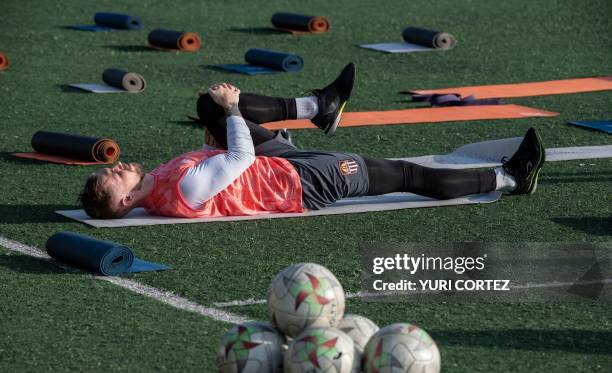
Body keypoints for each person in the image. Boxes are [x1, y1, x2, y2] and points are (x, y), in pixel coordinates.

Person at [79, 63, 545, 219]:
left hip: (275, 162)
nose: (117, 167)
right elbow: (238, 157)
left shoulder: (155, 182)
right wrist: (236, 109)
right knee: (406, 174)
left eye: (110, 167)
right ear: (124, 204)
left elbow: (226, 156)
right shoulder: (181, 191)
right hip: (301, 182)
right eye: (114, 178)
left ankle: (316, 106)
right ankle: (509, 177)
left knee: (207, 106)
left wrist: (217, 124)